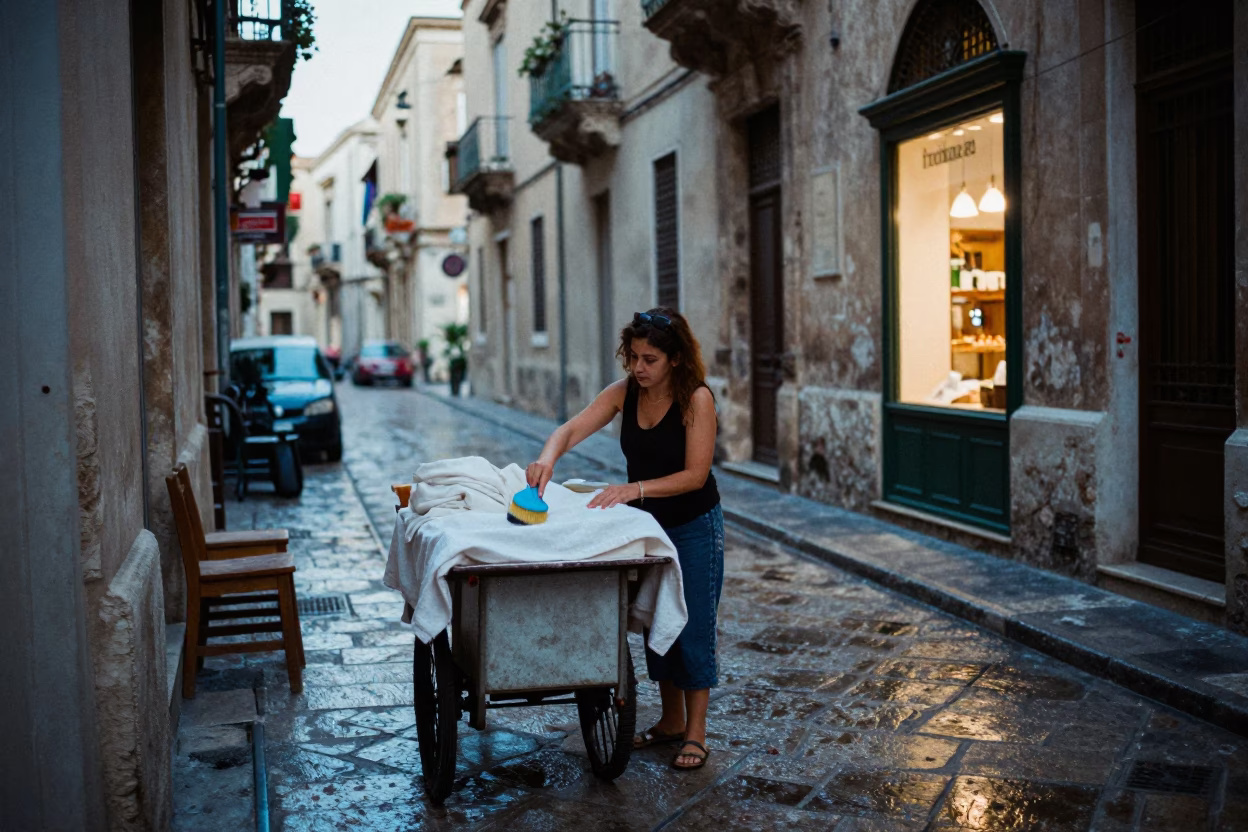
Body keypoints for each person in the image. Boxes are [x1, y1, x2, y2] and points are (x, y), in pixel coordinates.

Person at [525, 308, 723, 771]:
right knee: (659, 622)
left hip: (694, 525)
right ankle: (671, 721)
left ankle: (696, 733)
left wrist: (632, 490)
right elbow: (573, 427)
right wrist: (546, 459)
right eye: (633, 356)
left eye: (650, 359)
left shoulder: (696, 399)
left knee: (693, 626)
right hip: (648, 527)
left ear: (675, 359)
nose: (638, 367)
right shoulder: (625, 393)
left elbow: (695, 476)